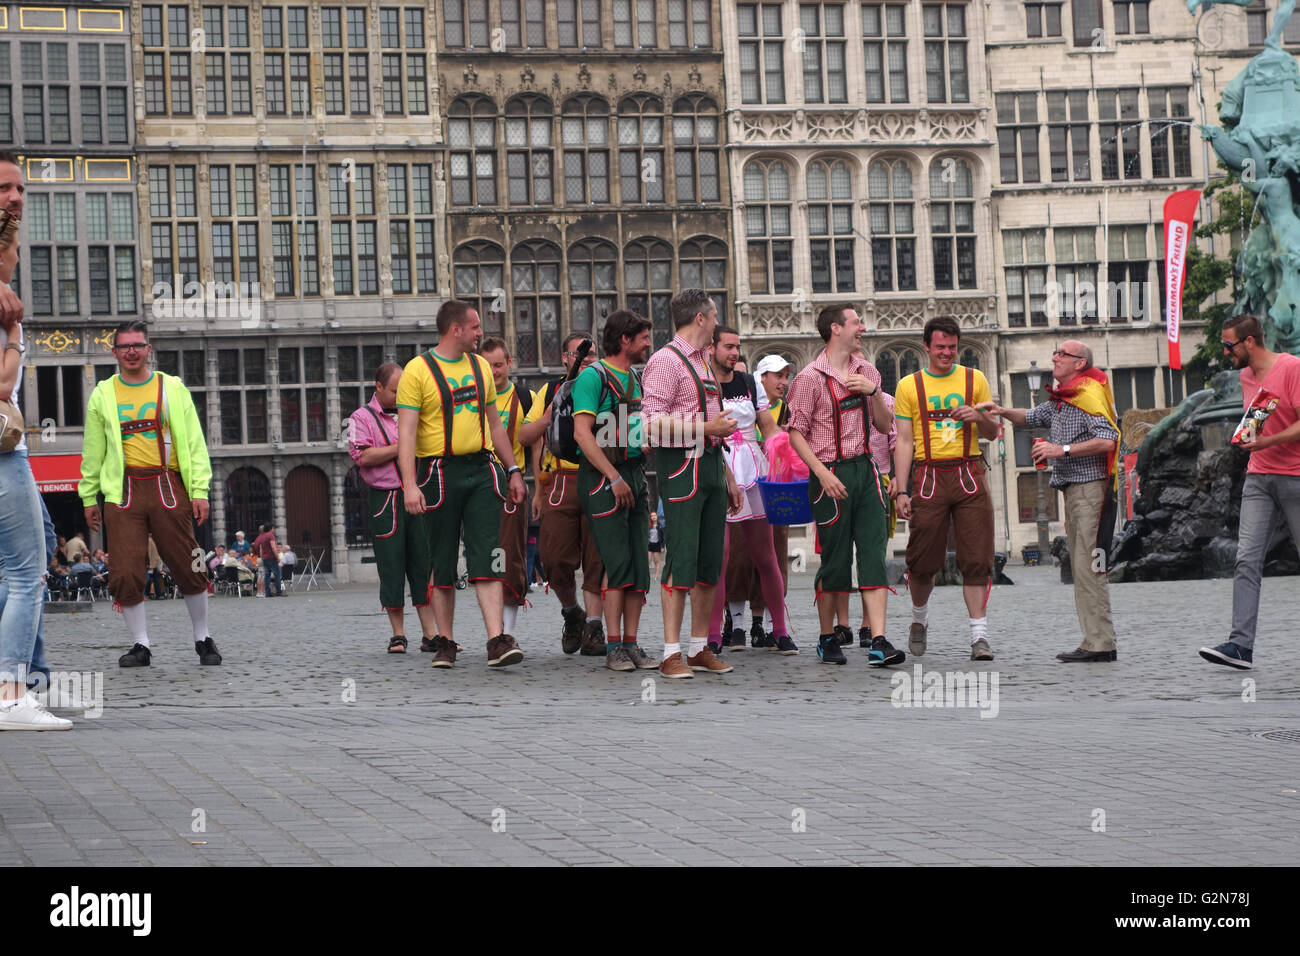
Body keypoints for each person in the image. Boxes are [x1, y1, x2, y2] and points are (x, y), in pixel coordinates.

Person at [81, 319, 221, 668]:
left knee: (190, 563)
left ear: (148, 349)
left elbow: (194, 442)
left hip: (167, 485)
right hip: (122, 491)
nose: (131, 351)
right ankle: (140, 643)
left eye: (137, 345)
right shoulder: (103, 393)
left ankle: (202, 637)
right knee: (125, 571)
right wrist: (89, 496)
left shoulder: (172, 388)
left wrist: (200, 490)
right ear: (114, 352)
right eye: (124, 346)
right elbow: (92, 450)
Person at [396, 299, 527, 669]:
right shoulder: (417, 371)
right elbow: (406, 434)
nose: (480, 333)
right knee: (442, 561)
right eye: (474, 328)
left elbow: (496, 425)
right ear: (455, 329)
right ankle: (446, 642)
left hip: (482, 471)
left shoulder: (480, 367)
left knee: (488, 556)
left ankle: (496, 640)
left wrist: (513, 469)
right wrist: (409, 485)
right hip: (437, 474)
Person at [979, 340, 1121, 662]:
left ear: (1080, 363)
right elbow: (1028, 416)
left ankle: (1100, 644)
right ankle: (1096, 640)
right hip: (1074, 490)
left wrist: (1062, 450)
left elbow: (1108, 439)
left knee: (1090, 568)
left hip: (1091, 491)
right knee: (1084, 567)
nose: (1054, 357)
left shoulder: (1087, 396)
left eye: (1062, 354)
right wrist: (1001, 411)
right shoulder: (1061, 399)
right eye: (1055, 353)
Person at [785, 304, 899, 666]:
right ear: (835, 328)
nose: (862, 328)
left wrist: (874, 392)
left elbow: (884, 426)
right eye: (855, 323)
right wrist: (821, 473)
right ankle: (826, 637)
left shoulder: (867, 370)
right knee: (834, 561)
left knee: (873, 554)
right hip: (829, 474)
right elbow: (795, 434)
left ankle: (878, 639)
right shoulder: (809, 378)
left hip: (865, 472)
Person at [641, 288, 743, 678]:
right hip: (682, 467)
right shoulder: (666, 361)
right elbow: (649, 424)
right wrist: (705, 427)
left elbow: (716, 426)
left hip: (712, 465)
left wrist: (729, 477)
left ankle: (699, 647)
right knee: (680, 560)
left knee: (708, 563)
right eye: (714, 316)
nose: (717, 322)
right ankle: (671, 653)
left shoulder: (703, 361)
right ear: (700, 318)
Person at [0, 182, 72, 728]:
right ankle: (11, 692)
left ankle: (35, 675)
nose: (17, 198)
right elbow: (2, 386)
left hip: (14, 447)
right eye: (6, 189)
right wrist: (17, 334)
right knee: (26, 573)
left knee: (35, 550)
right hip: (5, 448)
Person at [892, 315, 1000, 661]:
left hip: (969, 472)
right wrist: (902, 490)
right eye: (940, 347)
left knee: (977, 557)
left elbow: (992, 432)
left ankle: (979, 636)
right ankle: (919, 620)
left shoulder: (975, 379)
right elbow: (904, 441)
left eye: (952, 348)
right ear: (926, 347)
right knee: (923, 558)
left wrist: (978, 417)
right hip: (929, 476)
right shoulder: (909, 385)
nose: (947, 353)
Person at [1199, 314, 1300, 669]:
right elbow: (1257, 417)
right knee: (1246, 559)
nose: (1226, 352)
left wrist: (1267, 440)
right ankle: (1240, 646)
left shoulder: (1291, 368)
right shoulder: (1245, 376)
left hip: (1295, 477)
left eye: (1229, 345)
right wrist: (1247, 437)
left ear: (1250, 343)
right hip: (1259, 478)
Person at [572, 310, 659, 673]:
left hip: (634, 475)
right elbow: (582, 434)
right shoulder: (593, 378)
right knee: (618, 564)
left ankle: (632, 643)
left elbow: (631, 428)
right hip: (603, 480)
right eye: (643, 338)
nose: (648, 344)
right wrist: (613, 477)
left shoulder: (635, 379)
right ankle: (613, 646)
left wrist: (646, 445)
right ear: (625, 340)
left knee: (640, 565)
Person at [707, 326, 796, 656]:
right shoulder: (704, 383)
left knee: (766, 555)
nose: (734, 352)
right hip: (720, 464)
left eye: (737, 347)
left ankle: (781, 631)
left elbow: (767, 425)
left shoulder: (748, 383)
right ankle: (716, 634)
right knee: (722, 557)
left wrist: (781, 449)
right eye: (728, 346)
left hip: (753, 468)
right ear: (712, 347)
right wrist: (726, 475)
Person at [519, 333, 607, 656]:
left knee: (597, 558)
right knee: (553, 557)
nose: (587, 359)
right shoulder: (550, 391)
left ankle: (594, 629)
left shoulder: (606, 385)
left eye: (592, 353)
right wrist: (548, 415)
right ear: (565, 358)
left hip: (599, 475)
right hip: (563, 477)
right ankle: (572, 613)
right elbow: (526, 435)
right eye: (579, 354)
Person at [349, 362, 439, 653]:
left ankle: (431, 634)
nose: (401, 398)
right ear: (378, 387)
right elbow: (362, 456)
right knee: (391, 564)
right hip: (385, 498)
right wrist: (401, 447)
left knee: (423, 564)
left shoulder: (412, 411)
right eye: (395, 392)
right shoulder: (360, 418)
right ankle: (398, 634)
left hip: (418, 492)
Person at [480, 337, 532, 640]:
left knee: (510, 556)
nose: (494, 371)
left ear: (509, 363)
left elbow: (537, 441)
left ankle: (506, 631)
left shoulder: (524, 397)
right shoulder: (473, 400)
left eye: (498, 365)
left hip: (511, 486)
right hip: (480, 486)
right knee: (486, 557)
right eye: (487, 366)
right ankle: (492, 628)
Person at [647, 512, 662, 580]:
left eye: (654, 515)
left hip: (657, 545)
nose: (653, 517)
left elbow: (662, 537)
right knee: (648, 561)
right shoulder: (649, 526)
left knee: (657, 561)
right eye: (652, 516)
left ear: (657, 517)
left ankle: (657, 576)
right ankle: (646, 576)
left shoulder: (660, 526)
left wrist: (662, 546)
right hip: (650, 544)